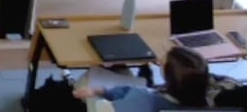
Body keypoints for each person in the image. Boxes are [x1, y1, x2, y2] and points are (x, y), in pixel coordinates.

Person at [73, 47, 208, 112]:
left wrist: (96, 92)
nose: (160, 62)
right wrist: (104, 90)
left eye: (163, 63)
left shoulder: (142, 100)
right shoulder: (210, 102)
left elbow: (105, 109)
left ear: (169, 76)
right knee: (122, 71)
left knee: (86, 78)